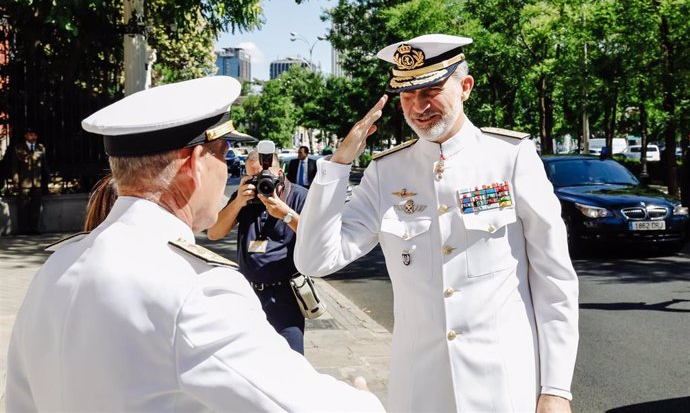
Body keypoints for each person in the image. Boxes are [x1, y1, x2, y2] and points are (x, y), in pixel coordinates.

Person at [6, 76, 384, 412]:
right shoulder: (196, 287)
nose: (228, 169)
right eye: (224, 155)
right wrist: (365, 399)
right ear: (194, 163)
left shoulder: (56, 268)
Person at [295, 34, 579, 413]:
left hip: (505, 386)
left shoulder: (510, 157)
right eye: (407, 95)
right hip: (420, 390)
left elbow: (554, 278)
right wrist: (338, 165)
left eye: (431, 90)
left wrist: (556, 388)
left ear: (465, 87)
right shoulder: (386, 172)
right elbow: (315, 261)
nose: (419, 106)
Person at [208, 148, 308, 353]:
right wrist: (237, 203)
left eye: (264, 176)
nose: (260, 182)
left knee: (291, 360)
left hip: (285, 296)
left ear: (280, 174)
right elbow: (214, 233)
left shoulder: (298, 196)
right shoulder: (244, 198)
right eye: (253, 176)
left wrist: (285, 214)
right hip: (249, 294)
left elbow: (315, 236)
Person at [10, 127, 49, 233]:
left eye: (34, 135)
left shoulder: (40, 148)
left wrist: (46, 180)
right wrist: (15, 180)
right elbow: (15, 167)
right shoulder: (18, 148)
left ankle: (34, 228)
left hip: (37, 183)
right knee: (23, 206)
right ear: (26, 136)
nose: (33, 136)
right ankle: (23, 229)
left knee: (36, 206)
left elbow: (44, 165)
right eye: (30, 134)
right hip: (24, 183)